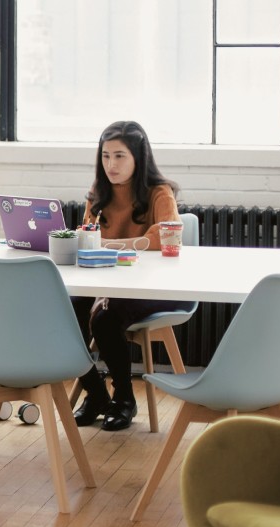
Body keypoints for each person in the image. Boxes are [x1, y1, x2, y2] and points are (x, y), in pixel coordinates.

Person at [71, 120, 196, 431]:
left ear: (138, 158)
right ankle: (96, 392)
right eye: (105, 156)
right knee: (61, 313)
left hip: (151, 286)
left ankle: (124, 398)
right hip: (103, 280)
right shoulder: (97, 193)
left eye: (119, 156)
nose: (110, 165)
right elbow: (87, 236)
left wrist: (111, 244)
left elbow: (168, 237)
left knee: (104, 318)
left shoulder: (159, 192)